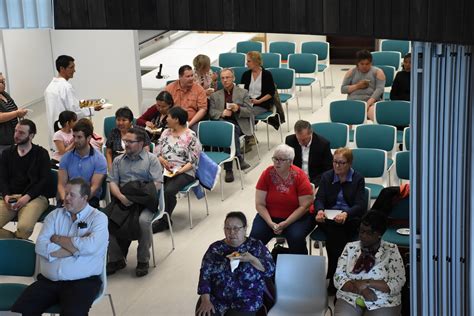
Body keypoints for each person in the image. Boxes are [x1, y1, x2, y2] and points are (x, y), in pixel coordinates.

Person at [11, 177, 109, 316]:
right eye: (66, 193)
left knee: (73, 313)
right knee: (22, 311)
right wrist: (76, 249)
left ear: (84, 198)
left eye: (72, 195)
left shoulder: (98, 218)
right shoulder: (54, 215)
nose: (66, 198)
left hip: (82, 282)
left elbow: (91, 247)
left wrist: (56, 239)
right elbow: (40, 246)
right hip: (49, 281)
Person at [107, 127, 163, 277]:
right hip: (123, 199)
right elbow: (112, 182)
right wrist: (121, 197)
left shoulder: (151, 160)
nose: (126, 145)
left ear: (141, 143)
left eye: (130, 142)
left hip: (144, 200)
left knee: (143, 221)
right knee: (105, 220)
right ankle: (117, 258)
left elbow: (157, 184)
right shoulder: (118, 160)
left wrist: (137, 194)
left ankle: (143, 259)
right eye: (125, 141)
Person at [197, 211, 275, 316]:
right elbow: (205, 274)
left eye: (236, 228)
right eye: (227, 228)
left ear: (245, 229)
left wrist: (252, 259)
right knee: (204, 313)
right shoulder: (215, 248)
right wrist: (205, 299)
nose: (231, 232)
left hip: (247, 300)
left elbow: (270, 270)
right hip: (217, 298)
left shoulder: (256, 246)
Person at [314, 147, 367, 294]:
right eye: (335, 162)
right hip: (329, 218)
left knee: (335, 237)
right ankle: (339, 277)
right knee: (335, 233)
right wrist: (319, 210)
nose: (337, 166)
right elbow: (319, 199)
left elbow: (360, 205)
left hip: (349, 219)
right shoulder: (327, 177)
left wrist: (346, 214)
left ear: (349, 163)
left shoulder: (357, 179)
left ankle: (333, 277)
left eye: (341, 163)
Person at [334, 210, 406, 315]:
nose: (363, 236)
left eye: (369, 233)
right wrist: (362, 290)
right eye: (361, 231)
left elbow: (398, 282)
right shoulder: (350, 247)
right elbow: (338, 277)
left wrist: (366, 283)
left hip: (383, 301)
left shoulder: (391, 250)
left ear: (379, 234)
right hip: (350, 298)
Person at [249, 144, 314, 254]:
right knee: (255, 238)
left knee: (296, 237)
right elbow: (259, 204)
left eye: (281, 160)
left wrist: (286, 223)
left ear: (290, 161)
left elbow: (304, 206)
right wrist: (270, 223)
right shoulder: (267, 174)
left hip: (296, 217)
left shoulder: (300, 176)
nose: (276, 162)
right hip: (269, 216)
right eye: (275, 159)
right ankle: (261, 266)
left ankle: (299, 266)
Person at [153, 107, 201, 232]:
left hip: (184, 171)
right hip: (165, 168)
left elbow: (194, 160)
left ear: (176, 120)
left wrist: (179, 171)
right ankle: (157, 215)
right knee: (153, 185)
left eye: (168, 117)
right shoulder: (166, 132)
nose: (166, 119)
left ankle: (165, 219)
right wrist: (162, 160)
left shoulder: (191, 136)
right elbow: (157, 149)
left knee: (168, 191)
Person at [0, 119, 50, 239]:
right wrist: (6, 196)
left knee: (24, 228)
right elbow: (2, 178)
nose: (16, 135)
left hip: (34, 197)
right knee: (21, 235)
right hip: (10, 197)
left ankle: (18, 244)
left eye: (21, 133)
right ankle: (18, 243)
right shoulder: (7, 153)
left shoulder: (41, 154)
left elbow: (44, 180)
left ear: (31, 135)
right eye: (16, 131)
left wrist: (26, 197)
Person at [44, 55, 103, 149]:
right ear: (62, 68)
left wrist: (89, 103)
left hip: (55, 133)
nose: (74, 70)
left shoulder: (49, 88)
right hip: (67, 134)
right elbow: (74, 112)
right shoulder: (66, 87)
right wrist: (93, 109)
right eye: (71, 67)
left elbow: (73, 104)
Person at [209, 68, 252, 183]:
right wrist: (221, 113)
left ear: (233, 78)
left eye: (227, 77)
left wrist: (238, 109)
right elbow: (211, 112)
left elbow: (249, 111)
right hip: (222, 124)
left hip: (239, 124)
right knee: (228, 130)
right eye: (222, 78)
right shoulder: (215, 95)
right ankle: (238, 157)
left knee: (230, 131)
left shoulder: (243, 93)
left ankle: (229, 170)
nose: (225, 80)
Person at [58, 119, 107, 209]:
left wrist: (78, 202)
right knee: (59, 220)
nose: (75, 140)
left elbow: (94, 187)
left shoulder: (100, 159)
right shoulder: (66, 157)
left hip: (89, 198)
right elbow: (61, 184)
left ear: (88, 138)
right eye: (74, 136)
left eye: (79, 137)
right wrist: (64, 199)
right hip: (68, 197)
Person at [285, 120, 333, 187]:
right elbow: (286, 162)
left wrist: (314, 184)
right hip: (296, 179)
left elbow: (328, 168)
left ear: (311, 133)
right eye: (299, 139)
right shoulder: (290, 140)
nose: (301, 142)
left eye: (304, 140)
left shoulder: (323, 144)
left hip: (315, 180)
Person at [341, 50, 386, 121]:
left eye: (367, 64)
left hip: (370, 102)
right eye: (362, 64)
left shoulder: (378, 72)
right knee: (346, 117)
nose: (364, 66)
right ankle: (347, 131)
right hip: (353, 102)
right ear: (357, 63)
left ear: (371, 63)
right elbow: (343, 89)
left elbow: (380, 89)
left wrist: (368, 104)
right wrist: (357, 86)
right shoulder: (351, 72)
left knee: (374, 115)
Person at [105, 106, 151, 171]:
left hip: (137, 165)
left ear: (131, 121)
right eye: (118, 120)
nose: (120, 123)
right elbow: (108, 152)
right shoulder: (114, 132)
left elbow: (146, 150)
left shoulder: (140, 131)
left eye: (124, 120)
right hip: (118, 166)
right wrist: (110, 168)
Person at [165, 65, 207, 132]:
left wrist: (188, 124)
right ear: (180, 77)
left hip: (191, 122)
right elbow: (164, 106)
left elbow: (203, 109)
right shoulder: (170, 88)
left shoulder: (199, 89)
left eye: (192, 75)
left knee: (196, 131)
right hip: (173, 121)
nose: (191, 78)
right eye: (188, 76)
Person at [241, 51, 276, 117]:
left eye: (249, 61)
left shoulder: (267, 74)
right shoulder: (246, 75)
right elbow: (242, 90)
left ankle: (246, 127)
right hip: (248, 103)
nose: (246, 63)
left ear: (256, 62)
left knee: (248, 113)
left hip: (262, 103)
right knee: (238, 111)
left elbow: (271, 93)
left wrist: (259, 101)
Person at [0, 72, 28, 153]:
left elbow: (13, 110)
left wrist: (20, 112)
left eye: (3, 81)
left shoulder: (5, 94)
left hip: (14, 138)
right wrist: (16, 113)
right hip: (3, 141)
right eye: (0, 82)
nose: (3, 84)